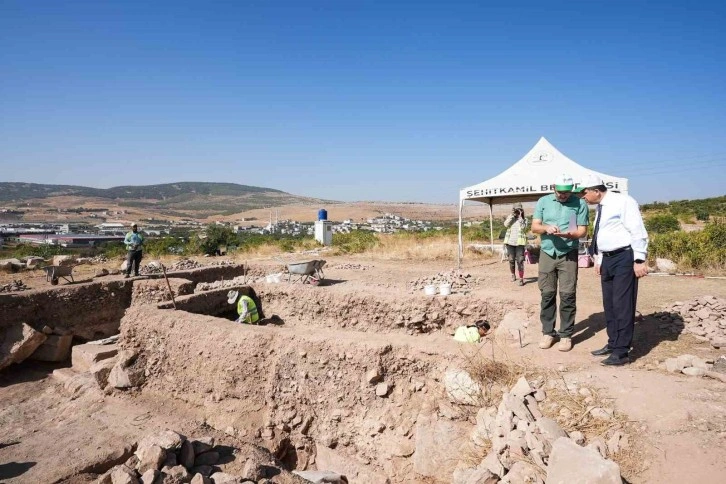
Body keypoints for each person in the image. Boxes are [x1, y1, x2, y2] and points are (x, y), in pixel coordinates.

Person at [579, 173, 649, 366]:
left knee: (622, 304)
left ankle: (622, 351)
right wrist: (599, 259)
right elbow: (602, 235)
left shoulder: (623, 201)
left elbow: (637, 230)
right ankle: (612, 343)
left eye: (584, 193)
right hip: (608, 260)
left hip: (624, 258)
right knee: (609, 304)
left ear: (596, 190)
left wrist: (639, 259)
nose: (583, 197)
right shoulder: (601, 207)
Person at [531, 174, 589, 352]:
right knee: (547, 294)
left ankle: (566, 335)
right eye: (560, 192)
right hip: (548, 252)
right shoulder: (543, 202)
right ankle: (548, 332)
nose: (563, 195)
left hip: (568, 253)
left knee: (567, 295)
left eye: (567, 192)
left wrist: (571, 234)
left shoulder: (580, 204)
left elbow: (582, 231)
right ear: (553, 187)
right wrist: (546, 228)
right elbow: (534, 227)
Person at [503, 202, 528, 286]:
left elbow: (524, 228)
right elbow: (505, 225)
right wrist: (511, 215)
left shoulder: (524, 219)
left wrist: (521, 218)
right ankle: (513, 275)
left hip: (520, 243)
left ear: (522, 210)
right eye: (516, 209)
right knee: (511, 260)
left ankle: (521, 278)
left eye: (519, 209)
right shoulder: (511, 218)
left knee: (520, 260)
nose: (518, 211)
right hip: (510, 243)